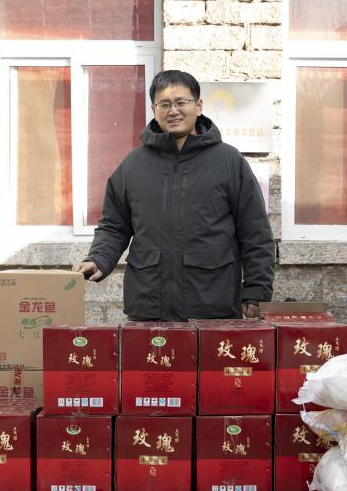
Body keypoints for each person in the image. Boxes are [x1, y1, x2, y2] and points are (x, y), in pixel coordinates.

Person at [73, 70, 274, 321]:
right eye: (164, 104)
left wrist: (256, 290)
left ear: (198, 106)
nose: (173, 111)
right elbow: (114, 226)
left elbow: (255, 230)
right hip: (149, 305)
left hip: (213, 305)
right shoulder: (133, 165)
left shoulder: (228, 161)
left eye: (181, 102)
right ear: (154, 109)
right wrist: (99, 259)